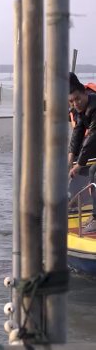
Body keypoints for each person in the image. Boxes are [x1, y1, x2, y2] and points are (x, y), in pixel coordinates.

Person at [68, 75, 96, 232]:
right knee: (90, 170)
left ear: (85, 93)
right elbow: (78, 132)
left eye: (77, 99)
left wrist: (79, 164)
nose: (75, 104)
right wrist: (71, 155)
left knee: (93, 171)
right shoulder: (80, 109)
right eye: (71, 101)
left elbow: (92, 138)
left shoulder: (94, 106)